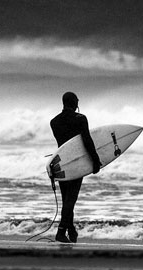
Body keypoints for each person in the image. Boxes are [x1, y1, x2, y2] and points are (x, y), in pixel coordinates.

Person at [49, 91, 101, 243]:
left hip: (61, 164)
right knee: (70, 200)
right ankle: (61, 232)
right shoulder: (80, 119)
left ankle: (71, 231)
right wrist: (95, 161)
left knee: (67, 200)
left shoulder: (54, 122)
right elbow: (87, 141)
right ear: (75, 103)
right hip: (76, 163)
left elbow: (63, 145)